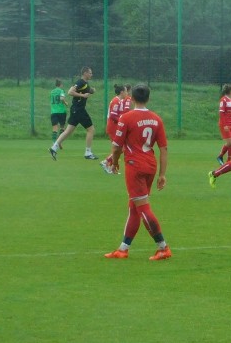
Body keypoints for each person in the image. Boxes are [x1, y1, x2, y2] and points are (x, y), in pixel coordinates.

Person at [102, 84, 172, 260]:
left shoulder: (127, 118)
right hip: (150, 166)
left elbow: (116, 146)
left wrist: (115, 163)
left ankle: (163, 247)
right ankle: (123, 249)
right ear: (148, 98)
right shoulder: (156, 119)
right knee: (134, 207)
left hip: (135, 166)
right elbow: (163, 149)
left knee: (143, 208)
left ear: (131, 98)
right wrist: (162, 174)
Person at [49, 67, 97, 160]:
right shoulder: (80, 82)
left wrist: (91, 91)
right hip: (79, 109)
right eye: (90, 73)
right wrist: (83, 95)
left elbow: (85, 89)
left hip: (75, 109)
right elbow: (70, 92)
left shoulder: (85, 84)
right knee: (91, 130)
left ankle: (53, 148)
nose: (91, 74)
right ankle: (88, 153)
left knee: (68, 131)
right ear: (85, 73)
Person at [216, 84, 231, 165]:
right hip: (225, 125)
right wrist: (225, 125)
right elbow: (221, 114)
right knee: (229, 142)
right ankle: (220, 156)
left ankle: (228, 161)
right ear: (230, 91)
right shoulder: (223, 100)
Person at [49, 79, 67, 144]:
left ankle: (54, 143)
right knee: (62, 127)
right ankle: (59, 142)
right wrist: (65, 102)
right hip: (61, 111)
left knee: (54, 128)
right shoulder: (61, 91)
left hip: (53, 112)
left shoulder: (52, 92)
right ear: (60, 84)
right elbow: (62, 98)